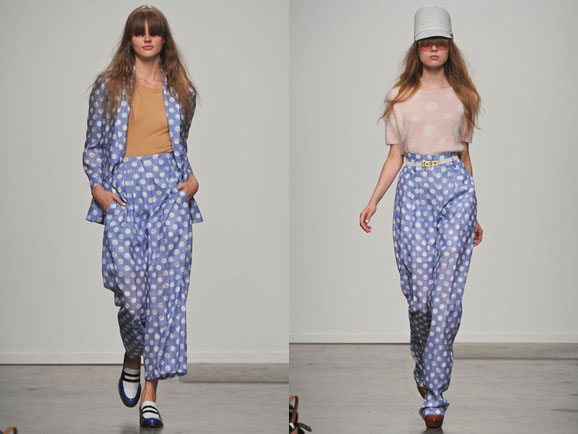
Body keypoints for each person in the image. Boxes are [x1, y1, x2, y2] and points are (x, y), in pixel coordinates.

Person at [359, 4, 483, 429]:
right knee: (421, 298)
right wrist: (374, 200)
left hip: (456, 191)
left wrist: (476, 211)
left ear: (449, 47)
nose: (433, 49)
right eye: (426, 42)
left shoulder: (464, 96)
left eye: (440, 43)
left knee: (447, 296)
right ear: (416, 48)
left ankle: (435, 394)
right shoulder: (400, 96)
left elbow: (465, 155)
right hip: (414, 188)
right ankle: (423, 361)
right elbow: (395, 155)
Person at [82, 5, 203, 428]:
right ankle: (133, 356)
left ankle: (150, 395)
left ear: (164, 39)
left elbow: (179, 145)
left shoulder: (181, 89)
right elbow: (94, 145)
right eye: (139, 32)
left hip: (170, 198)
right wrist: (99, 191)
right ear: (130, 39)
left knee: (166, 298)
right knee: (132, 298)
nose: (147, 38)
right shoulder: (109, 86)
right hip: (124, 197)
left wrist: (190, 184)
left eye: (154, 32)